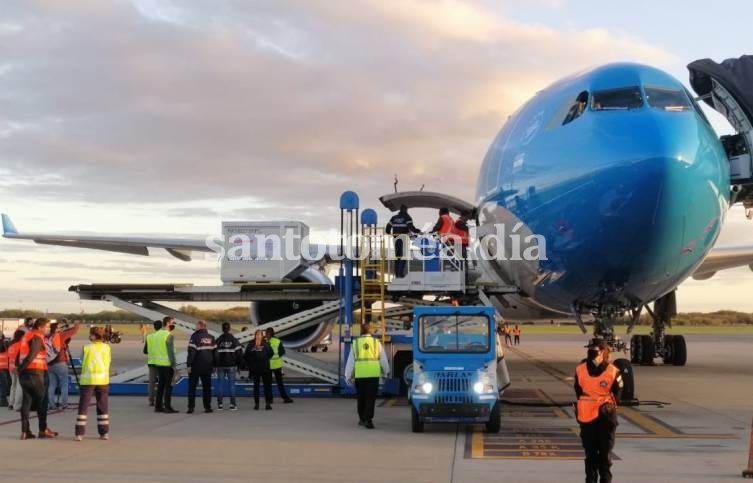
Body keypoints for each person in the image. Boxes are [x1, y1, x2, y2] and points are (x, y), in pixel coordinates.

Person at [574, 338, 623, 483]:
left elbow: (618, 394)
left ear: (602, 351)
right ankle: (591, 480)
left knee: (605, 454)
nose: (591, 352)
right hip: (587, 416)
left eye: (594, 350)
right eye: (590, 349)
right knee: (590, 454)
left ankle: (605, 480)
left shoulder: (613, 371)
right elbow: (578, 390)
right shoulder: (580, 369)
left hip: (605, 416)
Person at [17, 318, 58, 439]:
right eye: (47, 327)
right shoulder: (37, 337)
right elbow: (31, 355)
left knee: (27, 401)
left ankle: (25, 431)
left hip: (26, 374)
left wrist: (19, 369)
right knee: (43, 401)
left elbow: (20, 354)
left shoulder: (27, 335)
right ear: (40, 327)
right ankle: (43, 429)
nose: (48, 329)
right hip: (36, 373)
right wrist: (21, 368)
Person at [344, 323, 390, 429]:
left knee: (361, 398)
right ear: (370, 331)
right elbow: (383, 358)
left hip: (360, 376)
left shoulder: (355, 343)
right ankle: (369, 420)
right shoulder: (376, 342)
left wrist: (348, 376)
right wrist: (386, 372)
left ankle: (361, 418)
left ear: (361, 331)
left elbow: (351, 361)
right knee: (370, 398)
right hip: (373, 375)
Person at [75, 326, 112, 441]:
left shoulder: (86, 347)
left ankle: (79, 433)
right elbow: (109, 361)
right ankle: (104, 432)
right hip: (102, 380)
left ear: (93, 336)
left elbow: (81, 360)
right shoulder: (107, 347)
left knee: (83, 407)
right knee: (102, 407)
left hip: (88, 380)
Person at [150, 317, 178, 413]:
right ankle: (167, 407)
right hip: (167, 364)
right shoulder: (168, 335)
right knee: (168, 386)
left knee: (161, 386)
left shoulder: (156, 334)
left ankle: (158, 406)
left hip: (158, 363)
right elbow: (170, 352)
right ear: (168, 323)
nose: (173, 325)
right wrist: (174, 365)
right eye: (172, 323)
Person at [186, 320, 216, 414]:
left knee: (192, 387)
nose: (195, 327)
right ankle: (207, 407)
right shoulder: (211, 337)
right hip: (208, 367)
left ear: (200, 326)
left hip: (196, 367)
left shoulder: (195, 337)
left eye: (196, 325)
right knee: (207, 388)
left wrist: (189, 365)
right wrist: (214, 365)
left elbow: (191, 353)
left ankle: (191, 407)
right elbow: (215, 353)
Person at [385, 204, 422, 277]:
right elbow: (411, 227)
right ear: (406, 210)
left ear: (400, 210)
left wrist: (389, 233)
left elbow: (388, 227)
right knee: (403, 256)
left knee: (397, 256)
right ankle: (400, 274)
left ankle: (396, 274)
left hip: (395, 239)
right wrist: (418, 231)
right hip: (404, 239)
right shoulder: (407, 217)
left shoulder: (394, 218)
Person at [215, 322, 242, 410]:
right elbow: (239, 354)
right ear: (229, 328)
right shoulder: (234, 340)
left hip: (220, 365)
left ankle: (220, 405)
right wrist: (239, 365)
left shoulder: (218, 340)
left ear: (222, 329)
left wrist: (215, 365)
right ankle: (232, 405)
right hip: (231, 365)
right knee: (232, 385)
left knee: (220, 385)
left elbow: (214, 354)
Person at [244, 330, 273, 410]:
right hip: (260, 368)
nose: (258, 336)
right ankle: (262, 404)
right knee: (261, 386)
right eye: (258, 335)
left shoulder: (262, 344)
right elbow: (246, 355)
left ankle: (262, 404)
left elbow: (271, 353)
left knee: (261, 386)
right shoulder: (255, 345)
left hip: (260, 368)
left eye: (259, 335)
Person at [265, 327, 293, 404]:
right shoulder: (277, 341)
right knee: (280, 383)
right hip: (277, 365)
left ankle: (270, 399)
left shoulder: (265, 341)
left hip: (268, 365)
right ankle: (285, 398)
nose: (267, 335)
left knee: (268, 383)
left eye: (267, 333)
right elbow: (282, 352)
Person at [143, 320, 163, 407]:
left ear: (154, 327)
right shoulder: (164, 336)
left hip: (152, 363)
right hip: (162, 363)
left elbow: (145, 351)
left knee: (152, 383)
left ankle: (151, 400)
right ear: (161, 327)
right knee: (162, 382)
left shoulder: (149, 337)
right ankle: (161, 400)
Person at [7, 329, 24, 411]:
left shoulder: (11, 344)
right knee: (19, 386)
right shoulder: (20, 344)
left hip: (10, 367)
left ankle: (11, 403)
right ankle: (17, 405)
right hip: (17, 367)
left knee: (13, 385)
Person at [0, 336, 8, 407]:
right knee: (3, 385)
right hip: (1, 369)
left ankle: (3, 400)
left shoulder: (3, 346)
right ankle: (3, 401)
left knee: (2, 385)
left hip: (3, 369)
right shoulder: (2, 346)